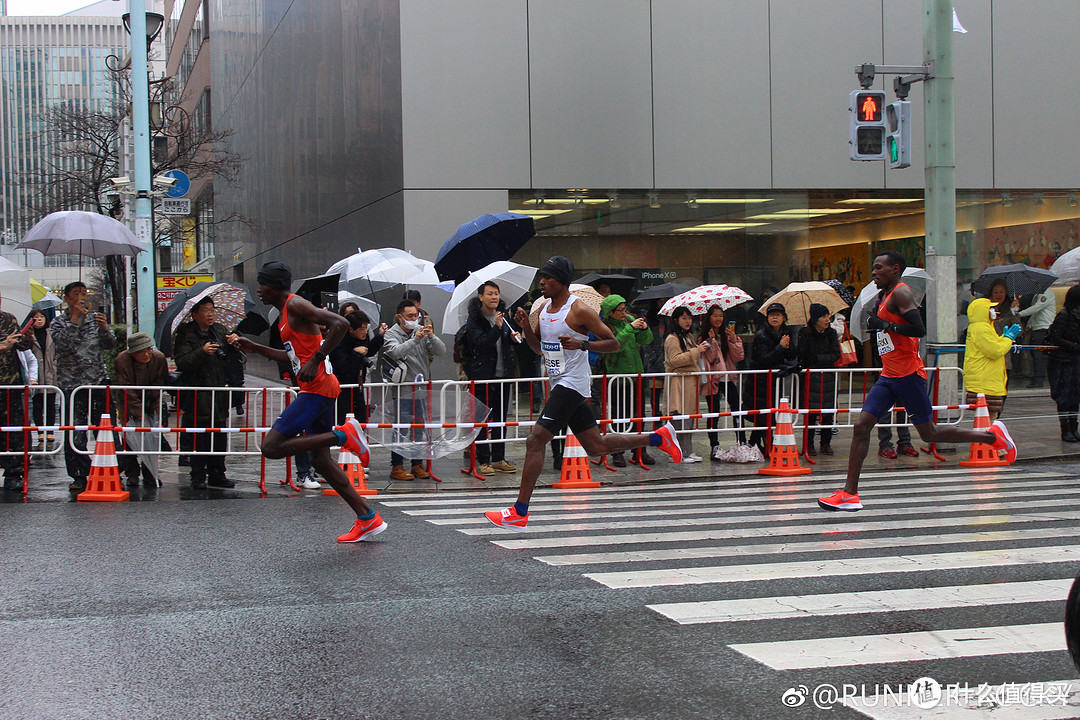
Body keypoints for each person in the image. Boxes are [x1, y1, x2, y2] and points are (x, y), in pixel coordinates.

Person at [484, 256, 682, 531]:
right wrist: (527, 329)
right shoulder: (542, 310)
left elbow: (613, 343)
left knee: (534, 440)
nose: (542, 281)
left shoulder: (578, 310)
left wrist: (583, 344)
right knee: (596, 447)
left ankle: (520, 511)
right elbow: (538, 349)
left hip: (572, 384)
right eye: (541, 277)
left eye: (548, 278)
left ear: (561, 281)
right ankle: (658, 437)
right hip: (559, 383)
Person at [818, 251, 1016, 512]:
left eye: (879, 268)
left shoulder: (901, 293)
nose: (874, 272)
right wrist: (879, 324)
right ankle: (849, 493)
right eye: (874, 268)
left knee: (928, 433)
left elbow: (918, 328)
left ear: (895, 269)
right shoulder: (884, 297)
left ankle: (991, 437)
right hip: (888, 376)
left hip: (909, 376)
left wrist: (885, 325)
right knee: (861, 427)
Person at [230, 261, 385, 542]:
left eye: (261, 284)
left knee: (271, 447)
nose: (258, 289)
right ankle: (367, 518)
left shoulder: (296, 305)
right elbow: (292, 358)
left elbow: (339, 323)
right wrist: (255, 348)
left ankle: (341, 435)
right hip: (318, 387)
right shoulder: (284, 313)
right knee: (322, 462)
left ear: (274, 285)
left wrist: (316, 359)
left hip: (316, 389)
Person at [49, 282, 115, 493]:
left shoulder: (95, 319)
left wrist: (105, 328)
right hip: (71, 385)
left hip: (97, 381)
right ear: (67, 298)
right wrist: (75, 319)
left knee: (106, 430)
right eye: (76, 294)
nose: (81, 297)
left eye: (84, 293)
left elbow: (110, 344)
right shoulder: (58, 322)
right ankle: (79, 475)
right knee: (75, 433)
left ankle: (111, 471)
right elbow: (62, 344)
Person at [172, 296, 241, 490]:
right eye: (205, 310)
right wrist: (202, 352)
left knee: (219, 435)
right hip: (197, 393)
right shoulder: (186, 334)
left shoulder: (219, 330)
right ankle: (198, 476)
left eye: (212, 309)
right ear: (195, 314)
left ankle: (218, 473)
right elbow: (182, 362)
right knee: (199, 437)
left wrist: (236, 340)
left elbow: (231, 356)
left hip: (219, 393)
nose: (210, 314)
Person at [382, 298, 445, 480]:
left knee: (419, 427)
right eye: (410, 316)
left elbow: (441, 351)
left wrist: (431, 336)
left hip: (421, 387)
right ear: (400, 317)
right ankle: (397, 465)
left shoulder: (421, 331)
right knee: (401, 428)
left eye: (416, 315)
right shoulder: (391, 334)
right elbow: (394, 352)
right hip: (402, 389)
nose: (414, 318)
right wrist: (414, 340)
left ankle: (417, 463)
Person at [463, 281, 519, 475]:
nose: (494, 297)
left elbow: (509, 341)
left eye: (496, 293)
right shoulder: (474, 320)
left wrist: (514, 337)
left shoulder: (504, 316)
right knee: (482, 419)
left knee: (501, 419)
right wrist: (496, 328)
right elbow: (481, 344)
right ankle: (483, 459)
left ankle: (499, 458)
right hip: (483, 376)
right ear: (481, 297)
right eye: (490, 294)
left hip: (503, 375)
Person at [598, 293, 654, 467]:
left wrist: (644, 329)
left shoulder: (628, 320)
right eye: (620, 310)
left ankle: (640, 450)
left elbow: (647, 340)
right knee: (619, 416)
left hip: (636, 376)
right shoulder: (604, 327)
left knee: (639, 415)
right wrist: (630, 328)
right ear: (610, 312)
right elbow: (616, 346)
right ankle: (617, 452)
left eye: (625, 309)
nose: (624, 313)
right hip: (617, 379)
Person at [112, 332, 168, 487]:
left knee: (152, 437)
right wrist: (139, 414)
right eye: (141, 351)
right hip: (127, 402)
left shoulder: (158, 358)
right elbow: (126, 389)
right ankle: (132, 473)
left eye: (148, 349)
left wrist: (155, 413)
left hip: (152, 399)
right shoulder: (122, 360)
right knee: (129, 438)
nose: (146, 354)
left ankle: (151, 474)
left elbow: (160, 385)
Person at [745, 302, 796, 453]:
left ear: (784, 318)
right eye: (771, 314)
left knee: (771, 414)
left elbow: (792, 355)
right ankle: (760, 444)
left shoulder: (786, 333)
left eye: (778, 314)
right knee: (763, 414)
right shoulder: (761, 335)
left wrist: (787, 347)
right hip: (760, 382)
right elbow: (764, 359)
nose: (774, 317)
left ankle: (757, 444)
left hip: (776, 382)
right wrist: (780, 347)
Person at [700, 304, 745, 460]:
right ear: (709, 318)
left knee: (737, 409)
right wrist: (711, 340)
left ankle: (742, 442)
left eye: (721, 315)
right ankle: (714, 445)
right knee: (714, 412)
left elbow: (738, 356)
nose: (718, 319)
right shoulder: (703, 337)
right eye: (715, 315)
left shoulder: (727, 334)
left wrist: (734, 340)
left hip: (729, 377)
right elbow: (710, 358)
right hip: (714, 379)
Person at [963, 298, 1021, 421]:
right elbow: (995, 351)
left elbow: (989, 347)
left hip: (984, 378)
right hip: (985, 380)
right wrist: (1008, 339)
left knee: (985, 418)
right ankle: (984, 440)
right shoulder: (982, 329)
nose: (994, 311)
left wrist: (1002, 338)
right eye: (990, 308)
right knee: (988, 419)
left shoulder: (981, 327)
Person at [798, 303, 841, 456]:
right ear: (815, 318)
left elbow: (836, 354)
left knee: (828, 412)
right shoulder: (805, 333)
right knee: (810, 413)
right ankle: (808, 443)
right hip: (810, 378)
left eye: (827, 315)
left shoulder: (831, 333)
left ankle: (826, 442)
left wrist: (819, 358)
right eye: (823, 316)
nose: (827, 319)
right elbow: (803, 356)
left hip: (828, 377)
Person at [665, 305, 707, 462]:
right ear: (676, 320)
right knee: (679, 418)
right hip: (679, 382)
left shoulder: (688, 337)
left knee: (688, 418)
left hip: (689, 382)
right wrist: (696, 351)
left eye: (689, 318)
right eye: (684, 318)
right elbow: (675, 360)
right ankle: (677, 453)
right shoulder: (673, 338)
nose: (688, 321)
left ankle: (687, 451)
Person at [0, 292, 31, 491]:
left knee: (13, 430)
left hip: (10, 383)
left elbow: (22, 346)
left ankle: (13, 472)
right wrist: (3, 347)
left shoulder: (9, 319)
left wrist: (26, 336)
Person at [330, 310, 384, 425]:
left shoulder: (362, 339)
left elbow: (369, 351)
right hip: (342, 389)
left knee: (361, 421)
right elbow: (344, 368)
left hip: (358, 387)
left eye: (366, 328)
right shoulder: (338, 341)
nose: (365, 332)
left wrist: (379, 336)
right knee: (342, 421)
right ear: (351, 329)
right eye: (362, 329)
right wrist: (355, 354)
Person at [1046, 285, 1080, 442]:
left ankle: (1074, 428)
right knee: (1065, 397)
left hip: (1076, 362)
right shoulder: (1064, 315)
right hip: (1063, 363)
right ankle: (1065, 430)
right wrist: (1074, 346)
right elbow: (1055, 337)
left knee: (1075, 397)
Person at [24, 310, 55, 448]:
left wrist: (55, 365)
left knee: (51, 404)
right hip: (36, 375)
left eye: (42, 317)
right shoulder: (28, 336)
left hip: (50, 372)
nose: (39, 320)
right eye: (36, 317)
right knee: (37, 404)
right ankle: (39, 430)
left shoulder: (52, 333)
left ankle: (50, 430)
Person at [1017, 290, 1055, 388]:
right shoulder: (1037, 294)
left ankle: (1039, 379)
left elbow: (1037, 307)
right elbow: (1035, 313)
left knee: (1039, 356)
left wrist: (1020, 314)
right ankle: (1037, 377)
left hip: (1044, 327)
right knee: (1034, 354)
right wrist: (1029, 324)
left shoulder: (1047, 292)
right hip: (1037, 327)